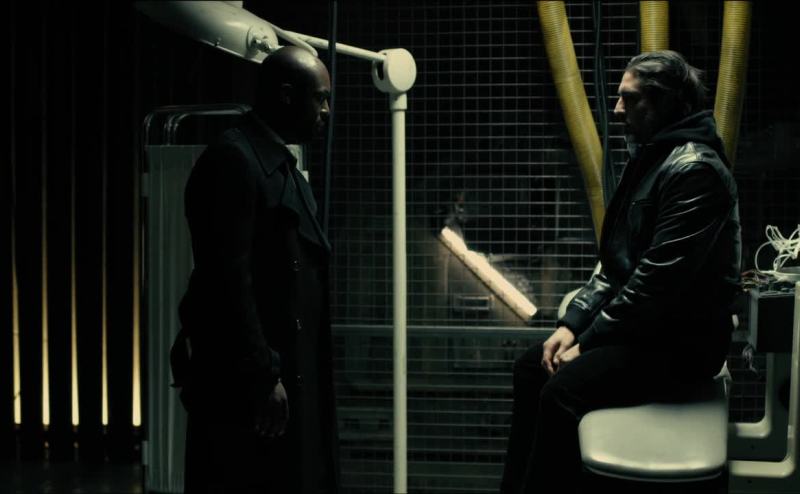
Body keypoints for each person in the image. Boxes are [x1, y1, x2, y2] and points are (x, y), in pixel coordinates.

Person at [500, 50, 742, 493]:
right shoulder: (653, 159)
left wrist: (587, 342)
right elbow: (615, 265)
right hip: (649, 333)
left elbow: (655, 283)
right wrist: (571, 326)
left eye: (630, 99)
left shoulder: (694, 170)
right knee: (531, 368)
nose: (616, 110)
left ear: (666, 103)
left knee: (561, 392)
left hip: (682, 345)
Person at [174, 45, 338, 493]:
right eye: (320, 99)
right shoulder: (235, 161)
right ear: (286, 95)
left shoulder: (273, 165)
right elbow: (228, 281)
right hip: (253, 386)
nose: (326, 112)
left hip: (282, 374)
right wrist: (263, 374)